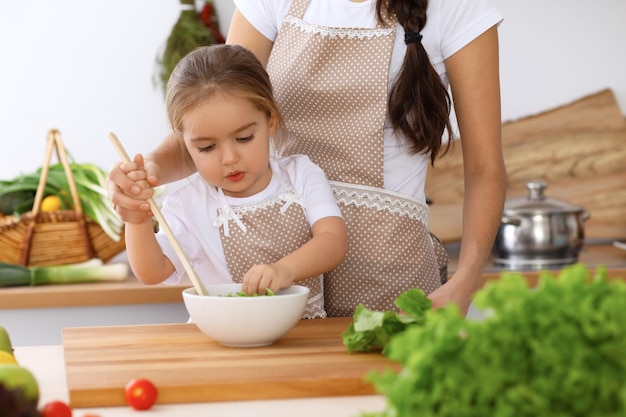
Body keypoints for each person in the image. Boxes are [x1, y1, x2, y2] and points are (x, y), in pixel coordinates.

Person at [108, 0, 506, 318]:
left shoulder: (457, 7)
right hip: (279, 285)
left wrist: (467, 279)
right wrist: (149, 173)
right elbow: (217, 112)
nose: (229, 154)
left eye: (246, 139)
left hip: (390, 269)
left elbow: (484, 167)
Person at [119, 44, 348, 319]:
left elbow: (333, 241)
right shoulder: (188, 204)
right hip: (222, 340)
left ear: (270, 122)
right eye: (206, 147)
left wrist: (284, 270)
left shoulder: (301, 174)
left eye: (243, 139)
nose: (229, 158)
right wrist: (136, 219)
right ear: (185, 145)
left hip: (302, 337)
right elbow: (152, 272)